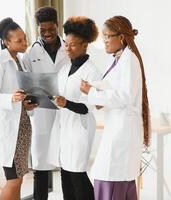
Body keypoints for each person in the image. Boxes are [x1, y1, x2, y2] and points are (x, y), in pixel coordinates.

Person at [80, 15, 150, 200]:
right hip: (117, 127)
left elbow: (124, 96)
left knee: (110, 176)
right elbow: (110, 85)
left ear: (121, 37)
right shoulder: (117, 58)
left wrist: (91, 93)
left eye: (107, 36)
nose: (103, 40)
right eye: (102, 36)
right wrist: (93, 86)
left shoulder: (129, 60)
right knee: (112, 175)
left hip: (123, 130)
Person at [0, 18, 38, 200]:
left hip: (22, 126)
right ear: (6, 42)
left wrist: (27, 103)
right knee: (13, 180)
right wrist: (11, 98)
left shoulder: (20, 60)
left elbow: (22, 93)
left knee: (19, 179)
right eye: (19, 40)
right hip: (9, 129)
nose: (25, 43)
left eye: (25, 38)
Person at [47, 16, 100, 200]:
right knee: (66, 173)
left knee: (77, 174)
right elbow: (58, 95)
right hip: (64, 128)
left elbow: (89, 107)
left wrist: (66, 103)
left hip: (80, 128)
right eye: (66, 44)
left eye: (73, 45)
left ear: (85, 44)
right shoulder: (64, 70)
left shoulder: (91, 71)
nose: (67, 49)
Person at [22, 7, 69, 200]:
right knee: (41, 161)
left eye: (51, 29)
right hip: (42, 112)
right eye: (43, 30)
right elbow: (26, 82)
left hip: (65, 109)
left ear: (57, 25)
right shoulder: (30, 53)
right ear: (38, 28)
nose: (48, 34)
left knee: (67, 161)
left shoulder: (69, 48)